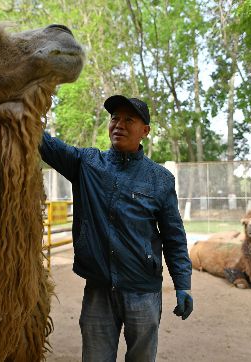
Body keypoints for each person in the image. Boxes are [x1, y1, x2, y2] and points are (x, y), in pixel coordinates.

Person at [39, 95, 193, 362]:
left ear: (145, 131)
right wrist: (21, 107)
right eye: (115, 118)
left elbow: (174, 237)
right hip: (98, 290)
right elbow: (46, 144)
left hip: (143, 292)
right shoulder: (87, 164)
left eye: (129, 119)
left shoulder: (160, 179)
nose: (119, 124)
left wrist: (183, 284)